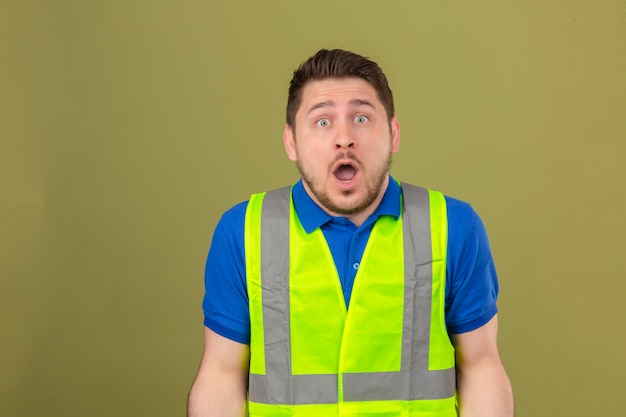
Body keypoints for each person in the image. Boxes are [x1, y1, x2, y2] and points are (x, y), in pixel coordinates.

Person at [187, 49, 514, 417]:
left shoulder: (454, 226)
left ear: (392, 133)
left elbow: (481, 366)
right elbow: (220, 375)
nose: (344, 138)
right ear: (291, 141)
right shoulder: (242, 232)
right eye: (323, 122)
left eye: (361, 118)